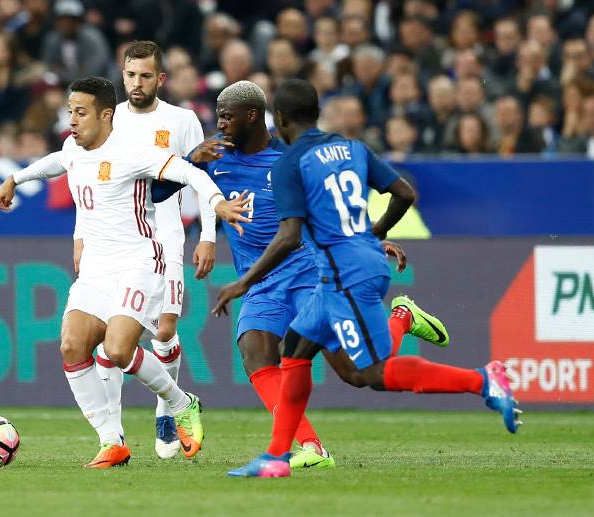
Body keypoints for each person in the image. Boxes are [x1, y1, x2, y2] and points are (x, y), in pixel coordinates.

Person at [217, 79, 523, 478]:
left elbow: (291, 235)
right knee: (293, 353)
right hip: (342, 269)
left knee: (369, 374)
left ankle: (483, 380)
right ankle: (278, 455)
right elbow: (404, 194)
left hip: (344, 275)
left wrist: (243, 282)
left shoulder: (290, 164)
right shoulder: (351, 149)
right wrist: (372, 238)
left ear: (282, 118)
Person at [184, 80, 448, 470]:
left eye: (226, 116)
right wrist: (190, 159)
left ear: (253, 116)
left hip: (308, 272)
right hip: (261, 280)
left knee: (357, 374)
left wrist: (367, 240)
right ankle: (311, 446)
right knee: (256, 356)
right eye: (218, 115)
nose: (219, 124)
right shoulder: (214, 158)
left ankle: (402, 317)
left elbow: (325, 214)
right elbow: (157, 191)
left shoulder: (291, 162)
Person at [0, 76, 251, 468]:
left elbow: (190, 173)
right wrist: (17, 178)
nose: (73, 121)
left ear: (106, 114)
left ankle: (181, 403)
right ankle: (111, 441)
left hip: (139, 262)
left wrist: (215, 203)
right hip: (96, 269)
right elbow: (55, 164)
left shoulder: (133, 151)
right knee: (71, 346)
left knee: (116, 349)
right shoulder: (72, 148)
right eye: (70, 113)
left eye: (81, 113)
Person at [83, 41, 217, 460]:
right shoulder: (110, 119)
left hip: (168, 235)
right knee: (109, 339)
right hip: (116, 241)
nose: (136, 83)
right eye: (130, 75)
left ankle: (165, 409)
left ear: (160, 78)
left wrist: (208, 235)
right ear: (121, 76)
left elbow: (202, 177)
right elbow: (88, 180)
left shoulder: (182, 121)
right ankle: (115, 434)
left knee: (163, 331)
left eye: (145, 76)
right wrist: (80, 236)